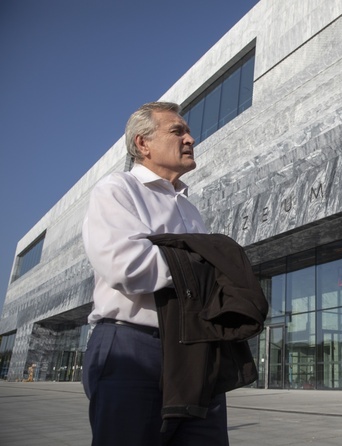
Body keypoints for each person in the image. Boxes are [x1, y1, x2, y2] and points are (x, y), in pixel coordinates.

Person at [81, 102, 228, 446]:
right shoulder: (118, 189)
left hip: (195, 349)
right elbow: (128, 266)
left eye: (188, 131)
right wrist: (207, 265)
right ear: (143, 144)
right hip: (132, 348)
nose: (190, 138)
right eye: (177, 131)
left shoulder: (190, 210)